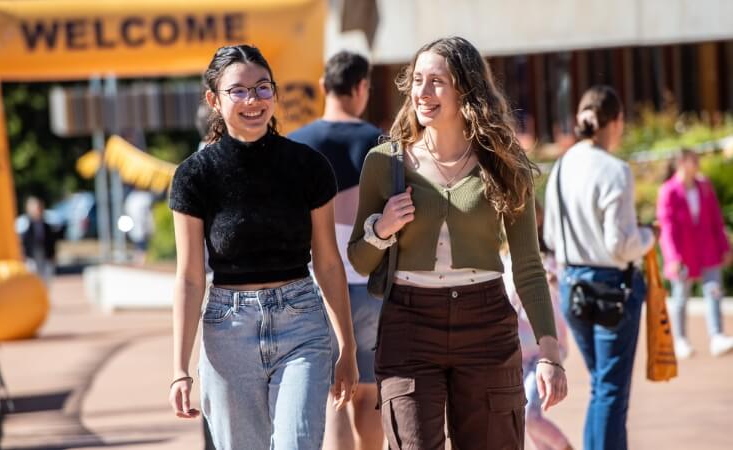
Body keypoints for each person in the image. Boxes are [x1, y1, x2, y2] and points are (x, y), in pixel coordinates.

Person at [348, 36, 567, 450]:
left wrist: (549, 354)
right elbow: (359, 260)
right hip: (409, 326)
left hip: (486, 324)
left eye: (437, 82)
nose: (422, 93)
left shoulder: (504, 164)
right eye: (417, 80)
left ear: (465, 88)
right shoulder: (385, 163)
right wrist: (382, 230)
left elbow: (528, 267)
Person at [167, 44, 359, 450]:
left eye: (262, 88)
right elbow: (188, 278)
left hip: (302, 326)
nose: (253, 100)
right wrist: (179, 368)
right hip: (227, 331)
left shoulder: (308, 166)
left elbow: (327, 261)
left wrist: (348, 347)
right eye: (238, 91)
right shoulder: (194, 176)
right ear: (213, 101)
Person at [543, 85, 655, 450]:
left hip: (571, 283)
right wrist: (649, 235)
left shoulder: (561, 166)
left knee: (601, 386)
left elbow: (551, 235)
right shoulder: (614, 170)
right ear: (616, 121)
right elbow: (619, 245)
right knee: (611, 391)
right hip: (611, 288)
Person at [289, 51, 384, 450]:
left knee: (334, 395)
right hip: (374, 284)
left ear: (325, 87)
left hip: (321, 286)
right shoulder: (380, 142)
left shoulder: (297, 144)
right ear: (361, 87)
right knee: (368, 393)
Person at [503, 201, 573, 450]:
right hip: (515, 351)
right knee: (523, 417)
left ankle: (565, 447)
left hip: (541, 350)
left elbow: (559, 292)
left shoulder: (548, 259)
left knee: (529, 415)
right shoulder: (503, 258)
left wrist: (551, 282)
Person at [657, 148, 733, 358]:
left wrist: (725, 247)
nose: (697, 164)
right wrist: (672, 258)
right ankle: (681, 339)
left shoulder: (704, 187)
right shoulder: (668, 191)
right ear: (682, 163)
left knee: (714, 291)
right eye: (693, 160)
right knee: (681, 296)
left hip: (708, 250)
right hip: (683, 254)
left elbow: (716, 220)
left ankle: (717, 336)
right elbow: (667, 228)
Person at [19, 196, 59, 287]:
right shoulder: (25, 224)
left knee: (46, 280)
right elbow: (23, 242)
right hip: (32, 257)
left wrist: (53, 255)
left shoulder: (47, 225)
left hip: (45, 256)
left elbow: (52, 241)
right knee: (32, 281)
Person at [123, 189, 155, 264]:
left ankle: (142, 258)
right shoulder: (138, 198)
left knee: (141, 243)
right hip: (139, 226)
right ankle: (141, 258)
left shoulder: (138, 198)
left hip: (140, 226)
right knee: (140, 243)